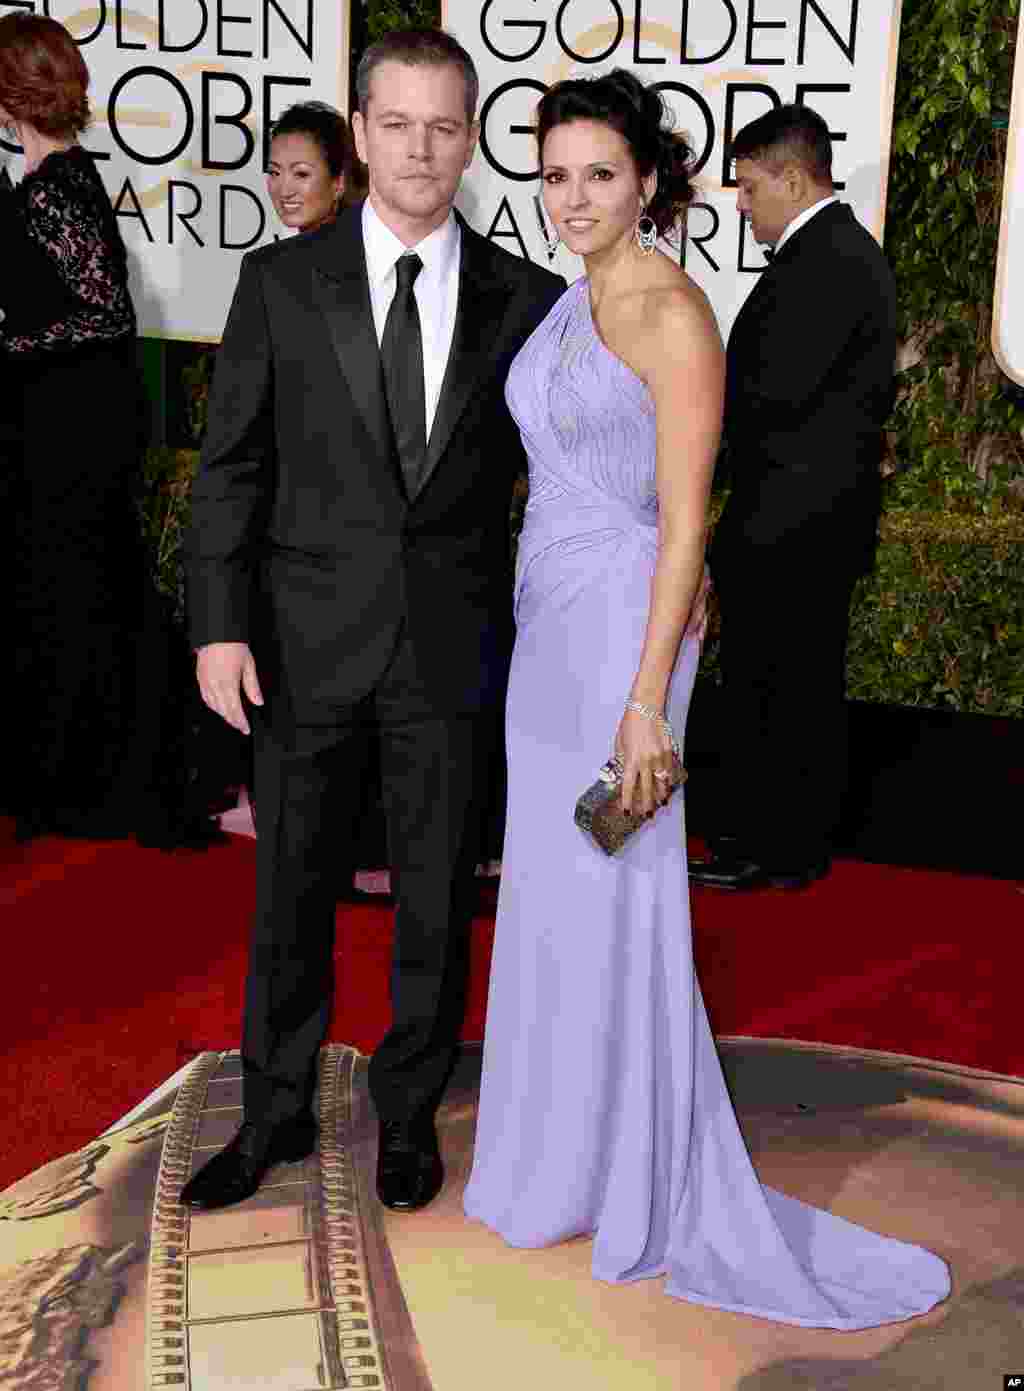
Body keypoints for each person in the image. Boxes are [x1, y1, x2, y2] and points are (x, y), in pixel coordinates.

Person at [462, 71, 949, 1328]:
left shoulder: (673, 313)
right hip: (547, 629)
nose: (573, 198)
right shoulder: (576, 298)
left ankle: (632, 1173)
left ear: (649, 182)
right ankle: (558, 1154)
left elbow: (684, 526)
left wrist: (644, 702)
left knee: (616, 885)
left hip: (625, 634)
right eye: (556, 174)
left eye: (599, 176)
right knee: (555, 885)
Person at [182, 28, 564, 1214]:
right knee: (287, 890)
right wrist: (216, 623)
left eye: (444, 126)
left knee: (439, 894)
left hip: (449, 647)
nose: (419, 149)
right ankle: (275, 1110)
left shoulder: (529, 300)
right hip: (298, 640)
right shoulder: (280, 283)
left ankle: (408, 1115)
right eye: (395, 124)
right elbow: (231, 466)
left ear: (471, 137)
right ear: (359, 132)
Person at [0, 13, 207, 847]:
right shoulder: (48, 184)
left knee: (80, 595)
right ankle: (66, 773)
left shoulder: (58, 190)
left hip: (71, 426)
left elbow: (102, 313)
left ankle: (93, 779)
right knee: (62, 595)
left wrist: (8, 340)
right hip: (53, 420)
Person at [689, 104, 899, 892]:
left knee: (784, 689)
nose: (740, 205)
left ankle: (774, 847)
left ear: (789, 176)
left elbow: (768, 396)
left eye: (747, 187)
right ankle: (780, 843)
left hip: (793, 531)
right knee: (789, 686)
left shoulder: (829, 262)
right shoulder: (834, 255)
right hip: (798, 527)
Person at [266, 100, 351, 234]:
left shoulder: (363, 251)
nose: (284, 192)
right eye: (275, 173)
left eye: (301, 174)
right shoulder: (277, 254)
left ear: (338, 182)